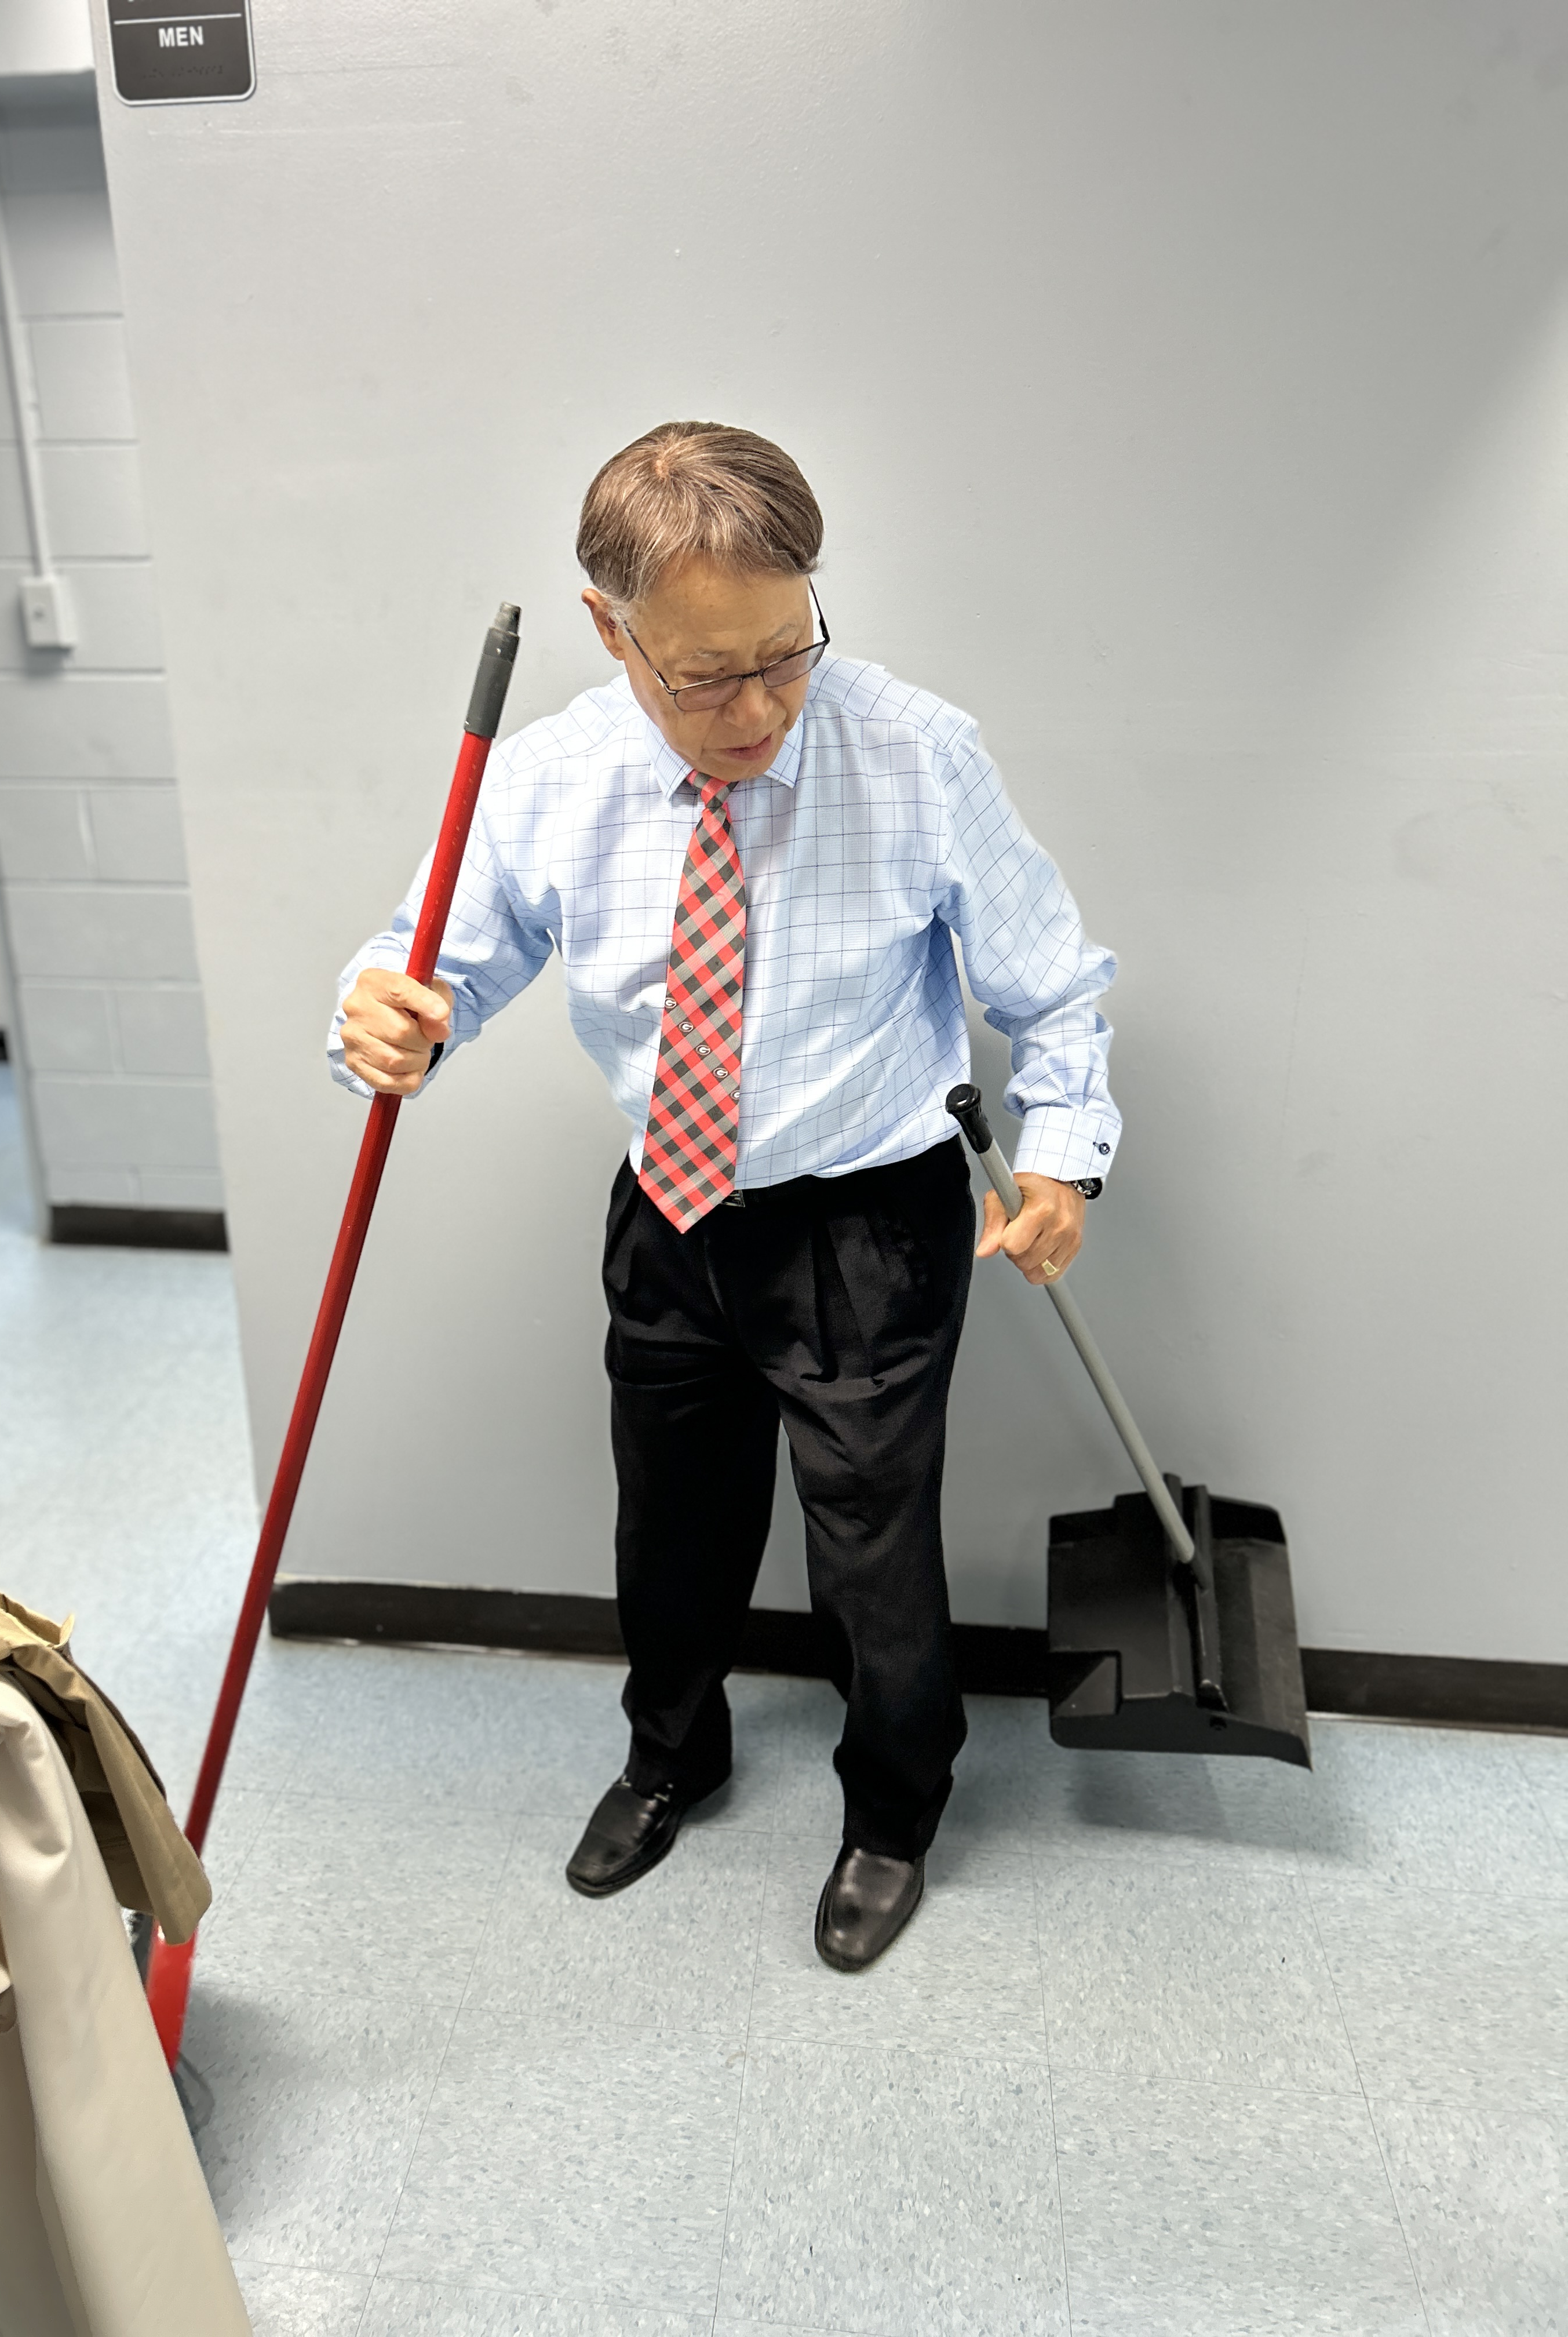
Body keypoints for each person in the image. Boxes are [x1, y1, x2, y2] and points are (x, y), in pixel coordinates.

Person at [331, 423, 1120, 1971]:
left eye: (786, 656)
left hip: (867, 1221)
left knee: (870, 1547)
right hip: (671, 1213)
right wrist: (386, 1008)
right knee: (671, 1523)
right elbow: (434, 966)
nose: (758, 710)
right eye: (706, 677)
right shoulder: (550, 777)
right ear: (609, 628)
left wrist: (1059, 1157)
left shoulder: (916, 754)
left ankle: (893, 1812)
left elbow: (1058, 991)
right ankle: (670, 1756)